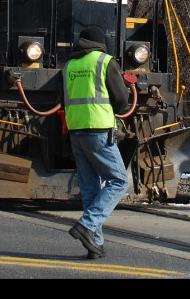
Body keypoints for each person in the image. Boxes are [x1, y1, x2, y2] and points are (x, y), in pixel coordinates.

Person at [63, 25, 132, 260]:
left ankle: (96, 244)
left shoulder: (69, 65)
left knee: (91, 188)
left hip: (76, 132)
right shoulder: (105, 61)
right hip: (99, 131)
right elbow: (121, 101)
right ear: (101, 43)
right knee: (119, 181)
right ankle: (87, 225)